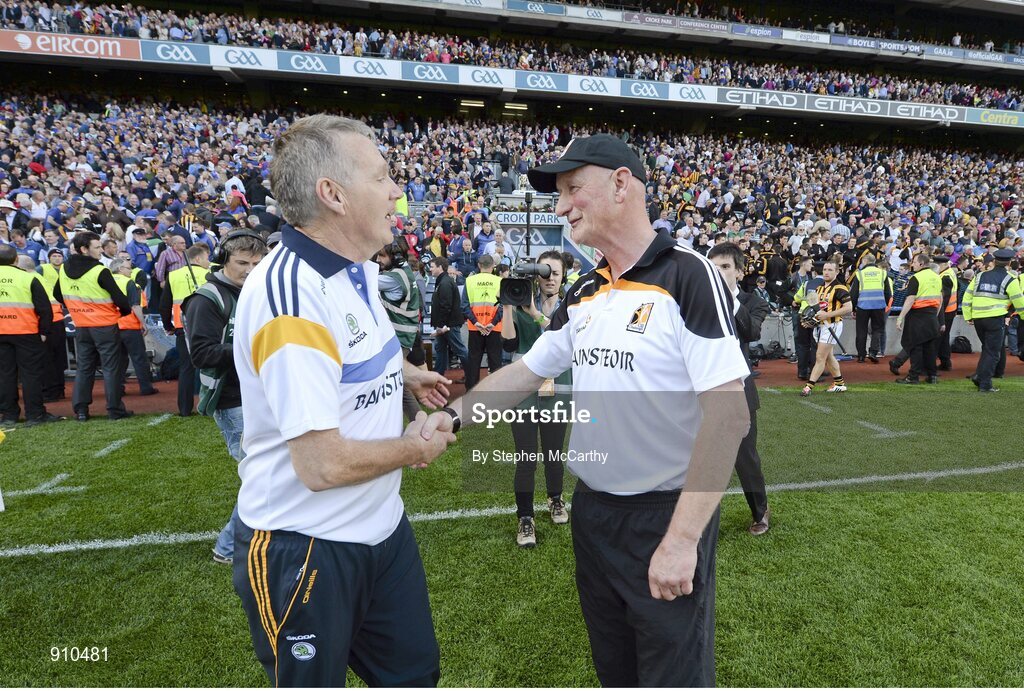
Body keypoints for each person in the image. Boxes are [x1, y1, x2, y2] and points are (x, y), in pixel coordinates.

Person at [424, 134, 750, 686]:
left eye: (573, 188)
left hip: (663, 515)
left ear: (621, 184)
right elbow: (527, 370)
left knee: (672, 676)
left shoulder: (687, 275)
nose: (560, 206)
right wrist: (453, 416)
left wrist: (681, 540)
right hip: (594, 514)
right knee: (614, 671)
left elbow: (729, 417)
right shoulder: (584, 289)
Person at [230, 115, 455, 687]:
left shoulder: (351, 264)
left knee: (414, 675)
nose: (397, 192)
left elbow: (353, 347)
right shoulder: (291, 300)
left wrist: (403, 373)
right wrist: (411, 449)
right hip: (307, 546)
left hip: (382, 529)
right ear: (332, 195)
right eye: (382, 177)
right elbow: (322, 464)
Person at [183, 230, 268, 565]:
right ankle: (229, 547)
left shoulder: (255, 289)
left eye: (257, 262)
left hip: (258, 394)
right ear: (223, 260)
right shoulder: (206, 299)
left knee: (267, 471)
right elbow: (201, 353)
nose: (250, 269)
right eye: (242, 262)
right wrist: (254, 351)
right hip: (233, 398)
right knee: (262, 474)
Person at [499, 250, 570, 548]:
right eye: (545, 272)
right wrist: (507, 306)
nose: (550, 278)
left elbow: (563, 340)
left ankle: (556, 499)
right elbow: (509, 343)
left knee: (554, 455)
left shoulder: (573, 303)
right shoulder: (522, 298)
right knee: (526, 457)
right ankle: (525, 517)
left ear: (564, 275)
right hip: (524, 391)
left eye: (556, 272)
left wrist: (534, 313)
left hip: (559, 389)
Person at [708, 242, 771, 535]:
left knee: (745, 458)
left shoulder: (752, 302)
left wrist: (726, 300)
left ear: (739, 271)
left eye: (725, 267)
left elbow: (751, 331)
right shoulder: (696, 299)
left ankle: (761, 511)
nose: (719, 273)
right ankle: (698, 517)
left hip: (738, 392)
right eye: (714, 267)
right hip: (700, 390)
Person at [53, 230, 133, 421]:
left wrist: (76, 307)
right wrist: (122, 312)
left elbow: (57, 294)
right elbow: (121, 299)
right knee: (111, 367)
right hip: (104, 325)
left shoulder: (64, 268)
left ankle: (81, 410)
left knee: (84, 367)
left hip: (81, 325)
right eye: (97, 247)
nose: (100, 250)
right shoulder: (99, 270)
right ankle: (114, 409)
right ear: (84, 249)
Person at [0, 245, 62, 426]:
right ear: (16, 260)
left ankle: (9, 415)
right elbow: (45, 309)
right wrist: (44, 331)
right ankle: (35, 414)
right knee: (31, 375)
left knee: (5, 375)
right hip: (26, 331)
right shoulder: (28, 278)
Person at [961, 248, 1024, 393]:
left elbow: (967, 296)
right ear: (1009, 263)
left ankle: (979, 376)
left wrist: (968, 315)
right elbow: (1020, 302)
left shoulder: (979, 276)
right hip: (995, 319)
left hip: (978, 318)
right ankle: (985, 384)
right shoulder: (1010, 279)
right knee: (993, 352)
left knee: (987, 349)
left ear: (994, 261)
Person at [375, 242, 424, 421]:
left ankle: (419, 422)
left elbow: (362, 280)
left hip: (398, 336)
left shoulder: (393, 277)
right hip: (402, 336)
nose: (378, 260)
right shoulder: (403, 271)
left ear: (394, 257)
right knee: (397, 384)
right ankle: (419, 422)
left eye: (382, 256)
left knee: (396, 383)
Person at [160, 243, 211, 416]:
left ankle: (184, 409)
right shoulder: (210, 274)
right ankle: (213, 404)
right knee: (213, 365)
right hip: (209, 326)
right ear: (197, 258)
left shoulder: (173, 275)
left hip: (183, 327)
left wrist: (168, 326)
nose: (208, 261)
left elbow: (164, 305)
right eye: (206, 257)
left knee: (186, 368)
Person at [801, 259, 852, 396]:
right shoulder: (819, 288)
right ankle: (840, 384)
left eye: (830, 270)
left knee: (820, 356)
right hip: (821, 326)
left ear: (836, 272)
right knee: (828, 356)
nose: (826, 272)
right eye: (824, 269)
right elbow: (818, 310)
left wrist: (827, 315)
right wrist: (811, 321)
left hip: (833, 325)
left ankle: (808, 386)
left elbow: (848, 308)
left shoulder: (840, 288)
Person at [109, 258, 158, 397]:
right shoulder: (128, 283)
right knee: (139, 358)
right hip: (129, 325)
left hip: (111, 325)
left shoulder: (106, 282)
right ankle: (146, 387)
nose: (131, 270)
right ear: (120, 269)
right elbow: (135, 306)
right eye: (128, 268)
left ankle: (117, 389)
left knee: (117, 360)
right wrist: (143, 323)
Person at [895, 252, 942, 385]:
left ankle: (913, 377)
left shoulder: (916, 278)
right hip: (932, 315)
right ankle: (932, 376)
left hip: (917, 316)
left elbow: (910, 299)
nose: (912, 264)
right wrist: (935, 316)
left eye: (914, 262)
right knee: (930, 348)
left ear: (921, 264)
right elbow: (940, 299)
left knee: (915, 347)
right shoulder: (937, 277)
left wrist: (900, 318)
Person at [462, 252, 503, 390]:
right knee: (495, 362)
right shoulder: (500, 281)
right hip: (494, 328)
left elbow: (464, 306)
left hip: (475, 328)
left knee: (473, 361)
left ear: (479, 266)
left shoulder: (469, 281)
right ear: (493, 266)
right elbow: (504, 306)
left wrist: (476, 322)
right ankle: (496, 394)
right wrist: (493, 322)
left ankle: (471, 393)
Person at [36, 248, 68, 401]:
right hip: (56, 316)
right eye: (53, 256)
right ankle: (57, 389)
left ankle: (52, 391)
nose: (57, 258)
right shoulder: (42, 269)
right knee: (56, 357)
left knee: (51, 357)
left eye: (59, 255)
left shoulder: (65, 270)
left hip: (50, 318)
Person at [849, 251, 892, 363]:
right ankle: (873, 352)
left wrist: (853, 308)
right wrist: (886, 304)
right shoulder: (882, 273)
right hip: (879, 305)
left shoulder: (860, 274)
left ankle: (861, 355)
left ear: (865, 261)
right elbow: (887, 291)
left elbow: (854, 293)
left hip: (863, 306)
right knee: (877, 329)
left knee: (861, 330)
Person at [428, 257, 468, 375]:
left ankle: (471, 374)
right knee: (440, 349)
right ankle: (438, 375)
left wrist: (441, 325)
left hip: (449, 324)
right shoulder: (443, 281)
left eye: (432, 267)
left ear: (440, 267)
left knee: (460, 350)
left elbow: (446, 306)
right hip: (445, 323)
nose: (430, 270)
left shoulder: (445, 282)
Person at [793, 260, 826, 382]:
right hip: (817, 317)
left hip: (803, 315)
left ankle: (802, 372)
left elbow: (796, 298)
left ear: (814, 272)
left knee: (803, 345)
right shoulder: (826, 285)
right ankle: (815, 372)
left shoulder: (807, 284)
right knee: (815, 346)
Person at [933, 254, 958, 371]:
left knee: (937, 339)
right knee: (944, 338)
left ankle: (931, 364)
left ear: (942, 265)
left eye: (937, 265)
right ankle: (945, 362)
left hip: (945, 313)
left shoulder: (945, 277)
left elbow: (944, 299)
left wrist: (939, 316)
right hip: (951, 311)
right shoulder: (950, 273)